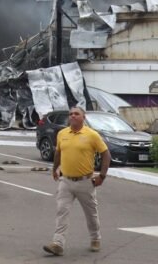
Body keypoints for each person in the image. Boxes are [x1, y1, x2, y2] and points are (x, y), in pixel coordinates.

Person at [43, 106, 111, 256]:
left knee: (91, 214)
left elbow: (106, 154)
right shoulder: (62, 134)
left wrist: (102, 176)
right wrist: (55, 168)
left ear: (83, 117)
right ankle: (58, 244)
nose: (72, 116)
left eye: (76, 114)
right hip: (66, 181)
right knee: (62, 211)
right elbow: (58, 152)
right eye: (71, 114)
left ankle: (95, 238)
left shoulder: (92, 135)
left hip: (85, 182)